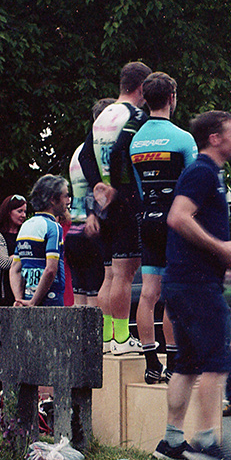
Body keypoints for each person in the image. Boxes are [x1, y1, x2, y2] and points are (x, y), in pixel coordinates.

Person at [153, 111, 231, 460]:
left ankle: (170, 442)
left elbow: (192, 228)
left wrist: (225, 261)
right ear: (215, 138)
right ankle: (207, 441)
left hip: (186, 281)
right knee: (216, 360)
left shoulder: (208, 174)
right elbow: (178, 217)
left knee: (187, 364)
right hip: (195, 285)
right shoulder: (201, 172)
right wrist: (222, 249)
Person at [131, 73, 199, 385]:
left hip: (148, 219)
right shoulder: (183, 138)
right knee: (172, 295)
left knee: (148, 293)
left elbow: (139, 187)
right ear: (171, 97)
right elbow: (195, 186)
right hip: (175, 222)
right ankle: (173, 362)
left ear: (145, 98)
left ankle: (150, 364)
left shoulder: (136, 140)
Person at [83, 62, 151, 355]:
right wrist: (120, 192)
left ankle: (108, 338)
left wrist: (99, 186)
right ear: (141, 88)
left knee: (110, 274)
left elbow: (86, 155)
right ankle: (122, 340)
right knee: (125, 273)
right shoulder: (135, 115)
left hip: (103, 207)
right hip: (123, 204)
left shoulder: (103, 116)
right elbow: (123, 150)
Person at [64, 99, 111, 311]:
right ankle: (102, 343)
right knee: (97, 301)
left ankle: (81, 344)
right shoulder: (96, 152)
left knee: (79, 300)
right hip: (93, 231)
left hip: (74, 231)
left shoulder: (78, 151)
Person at [9, 176, 69, 307]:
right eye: (65, 196)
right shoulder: (54, 227)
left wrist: (19, 299)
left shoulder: (25, 226)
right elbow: (51, 270)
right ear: (53, 199)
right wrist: (33, 302)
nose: (68, 201)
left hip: (27, 298)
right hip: (51, 300)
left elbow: (15, 269)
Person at [0, 194, 27, 308]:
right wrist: (25, 255)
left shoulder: (25, 233)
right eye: (19, 211)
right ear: (8, 212)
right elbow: (4, 263)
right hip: (5, 293)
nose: (23, 215)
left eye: (25, 212)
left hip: (24, 290)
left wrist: (13, 257)